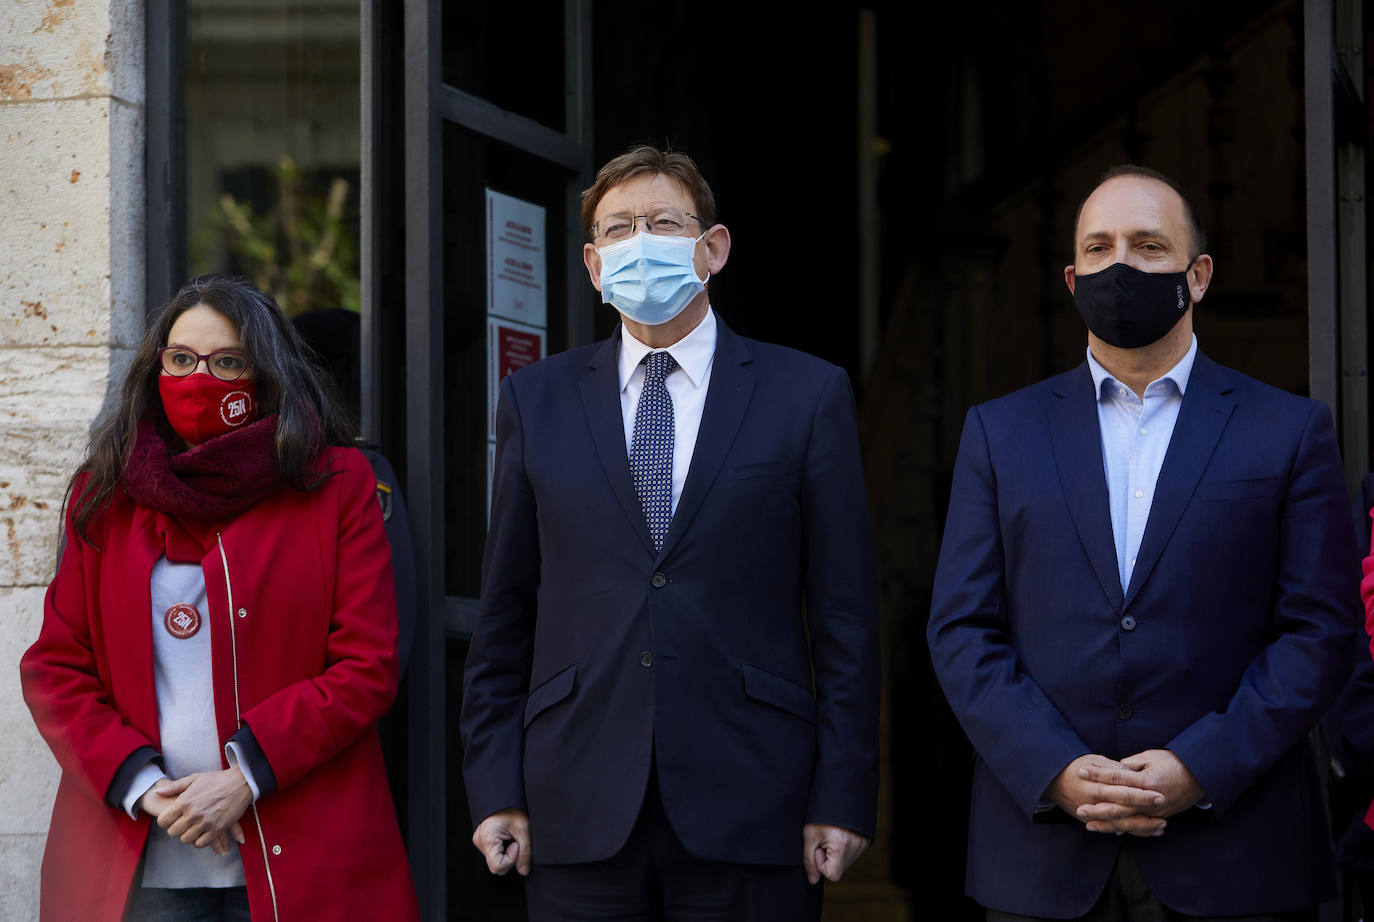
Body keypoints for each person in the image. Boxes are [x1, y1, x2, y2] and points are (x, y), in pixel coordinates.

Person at [459, 144, 881, 921]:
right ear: (592, 264)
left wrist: (845, 795)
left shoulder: (807, 395)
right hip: (575, 800)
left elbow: (846, 617)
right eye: (618, 230)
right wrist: (494, 787)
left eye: (662, 222)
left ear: (712, 248)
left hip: (755, 802)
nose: (639, 243)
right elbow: (506, 612)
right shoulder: (535, 400)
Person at [927, 166, 1358, 921]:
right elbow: (962, 629)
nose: (1119, 265)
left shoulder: (1288, 431)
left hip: (1236, 852)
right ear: (1071, 277)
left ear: (1198, 275)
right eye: (1099, 248)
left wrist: (1203, 764)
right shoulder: (999, 433)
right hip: (1044, 858)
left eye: (1148, 246)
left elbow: (1319, 631)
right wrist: (1052, 765)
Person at [21, 275, 420, 921]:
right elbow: (57, 667)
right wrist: (147, 789)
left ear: (264, 374)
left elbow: (366, 664)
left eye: (226, 362)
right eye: (180, 359)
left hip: (300, 847)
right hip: (142, 858)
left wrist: (243, 778)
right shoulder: (105, 493)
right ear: (156, 367)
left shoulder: (336, 483)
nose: (198, 379)